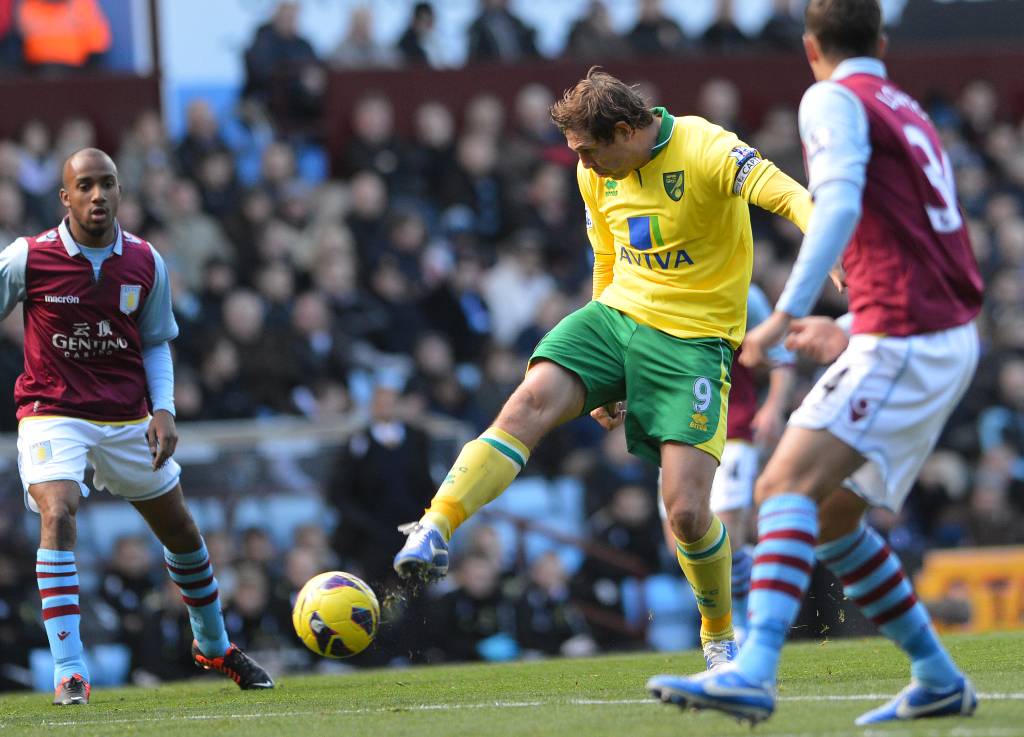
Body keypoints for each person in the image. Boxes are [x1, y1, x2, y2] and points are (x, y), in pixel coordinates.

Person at [394, 68, 813, 670]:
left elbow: (789, 193)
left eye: (589, 150)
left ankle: (719, 633)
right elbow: (609, 255)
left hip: (694, 344)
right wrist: (603, 369)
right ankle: (435, 526)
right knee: (526, 404)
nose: (583, 165)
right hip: (616, 317)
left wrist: (831, 248)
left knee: (688, 513)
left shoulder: (707, 147)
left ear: (624, 132)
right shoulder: (596, 173)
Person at [647, 0, 983, 726]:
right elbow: (925, 243)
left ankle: (753, 672)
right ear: (882, 42)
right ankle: (936, 674)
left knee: (781, 483)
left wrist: (785, 313)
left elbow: (833, 207)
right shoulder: (907, 108)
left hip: (906, 337)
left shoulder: (832, 97)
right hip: (931, 330)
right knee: (829, 515)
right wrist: (853, 323)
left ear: (810, 48)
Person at [0, 148, 273, 705]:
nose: (98, 195)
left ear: (120, 192)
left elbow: (155, 342)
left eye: (108, 184)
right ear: (66, 197)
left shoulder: (146, 262)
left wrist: (164, 409)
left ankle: (215, 645)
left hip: (126, 418)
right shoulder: (28, 257)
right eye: (86, 186)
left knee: (182, 533)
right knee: (58, 510)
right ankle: (70, 671)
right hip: (53, 413)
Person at [657, 284, 795, 645]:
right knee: (680, 539)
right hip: (676, 429)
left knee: (728, 532)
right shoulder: (658, 283)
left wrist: (773, 408)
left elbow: (779, 355)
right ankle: (756, 579)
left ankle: (741, 624)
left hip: (731, 424)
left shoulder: (744, 293)